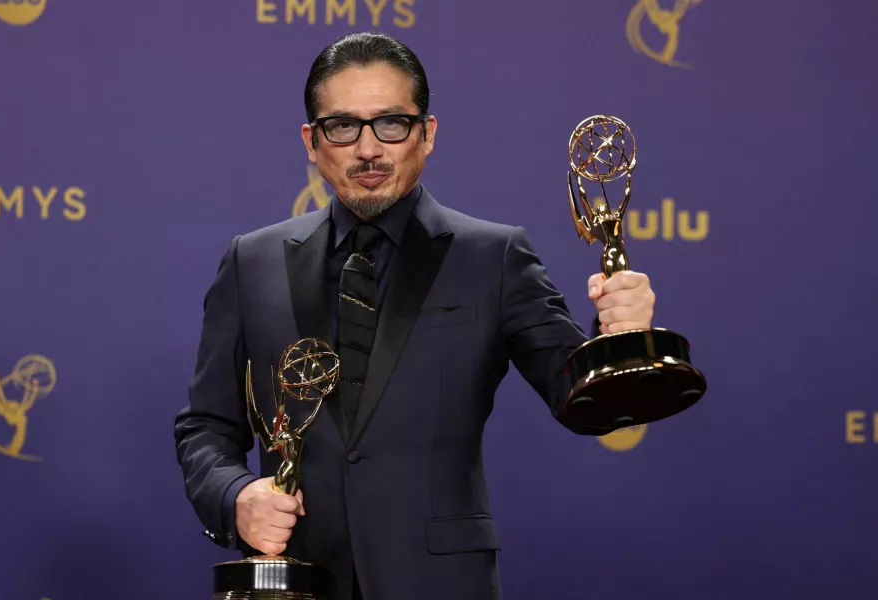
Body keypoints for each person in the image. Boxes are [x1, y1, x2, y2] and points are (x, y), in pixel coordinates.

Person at [174, 32, 657, 600]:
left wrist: (622, 343)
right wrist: (236, 499)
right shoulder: (250, 261)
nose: (368, 148)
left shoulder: (493, 256)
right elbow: (206, 427)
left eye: (391, 123)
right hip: (297, 581)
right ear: (312, 141)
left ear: (427, 134)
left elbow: (581, 401)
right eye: (343, 126)